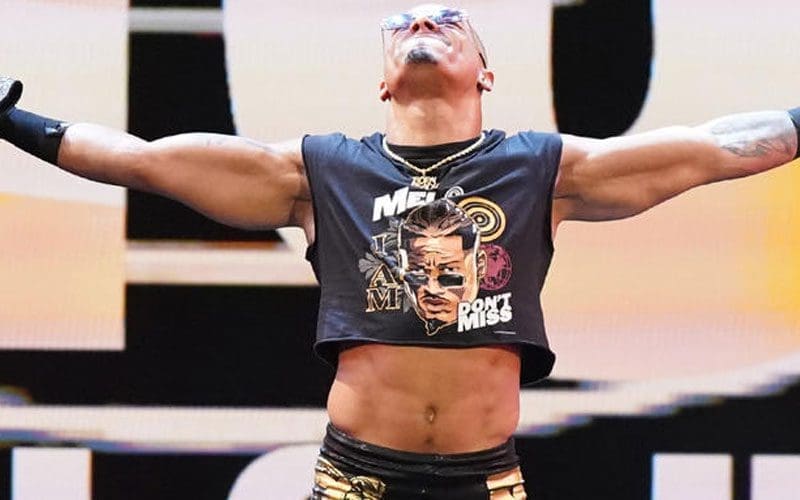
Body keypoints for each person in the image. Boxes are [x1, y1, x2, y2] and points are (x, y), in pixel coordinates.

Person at [1, 3, 798, 499]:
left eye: (447, 21)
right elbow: (142, 160)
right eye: (403, 25)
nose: (421, 25)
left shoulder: (544, 170)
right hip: (358, 478)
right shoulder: (319, 173)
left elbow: (712, 149)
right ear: (383, 82)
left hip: (485, 479)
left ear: (486, 72)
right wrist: (14, 123)